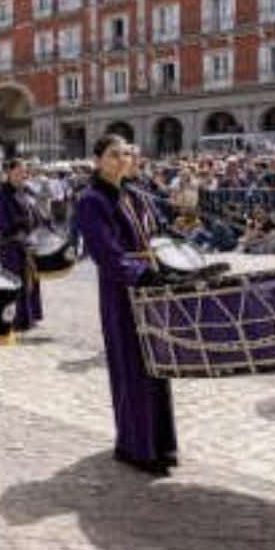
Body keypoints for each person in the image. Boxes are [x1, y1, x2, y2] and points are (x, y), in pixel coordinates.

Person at [75, 134, 178, 475]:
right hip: (122, 290)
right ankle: (135, 447)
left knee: (156, 364)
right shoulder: (91, 200)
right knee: (131, 364)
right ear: (98, 159)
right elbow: (105, 252)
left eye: (126, 154)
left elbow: (155, 236)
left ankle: (161, 443)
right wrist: (139, 273)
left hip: (149, 284)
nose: (122, 160)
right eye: (114, 154)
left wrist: (172, 259)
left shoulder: (134, 193)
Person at [0, 158, 43, 331]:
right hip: (11, 245)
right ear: (9, 172)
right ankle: (15, 319)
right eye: (20, 171)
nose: (24, 174)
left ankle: (29, 316)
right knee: (14, 281)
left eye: (25, 171)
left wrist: (38, 224)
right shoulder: (1, 194)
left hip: (28, 243)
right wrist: (21, 228)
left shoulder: (26, 191)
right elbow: (2, 222)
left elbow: (34, 212)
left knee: (30, 281)